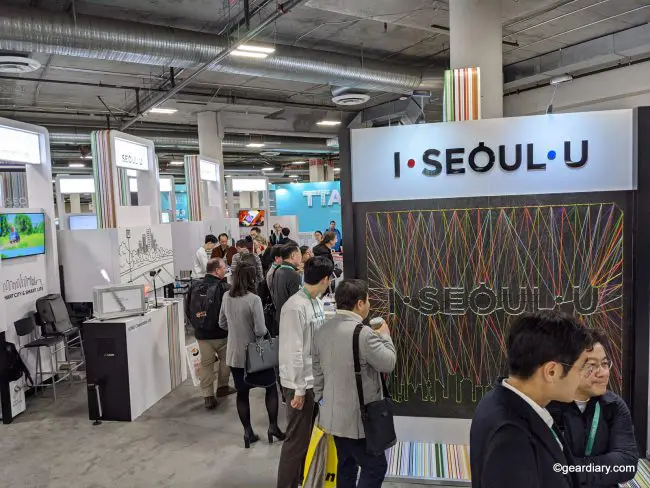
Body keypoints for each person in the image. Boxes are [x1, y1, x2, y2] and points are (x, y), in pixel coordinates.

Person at [470, 311, 596, 488]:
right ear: (551, 371)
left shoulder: (502, 400)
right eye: (583, 368)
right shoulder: (511, 438)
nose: (586, 376)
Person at [312, 279, 396, 488]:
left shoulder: (322, 330)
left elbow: (317, 372)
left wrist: (322, 401)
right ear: (360, 303)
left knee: (346, 465)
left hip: (332, 418)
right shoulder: (364, 334)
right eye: (368, 300)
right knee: (375, 467)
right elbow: (388, 363)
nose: (369, 304)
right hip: (358, 421)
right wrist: (385, 336)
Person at [547, 329, 638, 488]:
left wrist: (569, 469)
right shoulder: (547, 406)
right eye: (592, 366)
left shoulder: (614, 406)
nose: (603, 373)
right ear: (567, 368)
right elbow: (544, 469)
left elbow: (626, 464)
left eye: (604, 364)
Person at [276, 257, 334, 488]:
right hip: (298, 384)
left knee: (308, 437)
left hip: (314, 382)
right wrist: (299, 389)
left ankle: (302, 480)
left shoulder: (316, 302)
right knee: (296, 441)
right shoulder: (294, 307)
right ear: (325, 279)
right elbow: (293, 351)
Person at [219, 261, 286, 448]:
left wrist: (236, 330)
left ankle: (248, 432)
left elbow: (221, 323)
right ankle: (273, 427)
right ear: (252, 278)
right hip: (256, 355)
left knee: (242, 393)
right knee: (271, 388)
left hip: (234, 355)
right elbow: (260, 330)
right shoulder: (254, 299)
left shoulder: (226, 296)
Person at [185, 258, 236, 409]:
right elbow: (230, 312)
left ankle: (208, 396)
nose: (225, 269)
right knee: (226, 361)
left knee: (206, 364)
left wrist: (197, 326)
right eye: (224, 267)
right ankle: (222, 387)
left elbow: (188, 310)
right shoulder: (225, 288)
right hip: (222, 334)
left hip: (202, 335)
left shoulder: (194, 286)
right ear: (217, 270)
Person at [270, 244, 302, 324]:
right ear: (293, 255)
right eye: (300, 254)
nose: (301, 257)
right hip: (291, 319)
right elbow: (296, 302)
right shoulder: (293, 274)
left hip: (280, 316)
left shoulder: (278, 270)